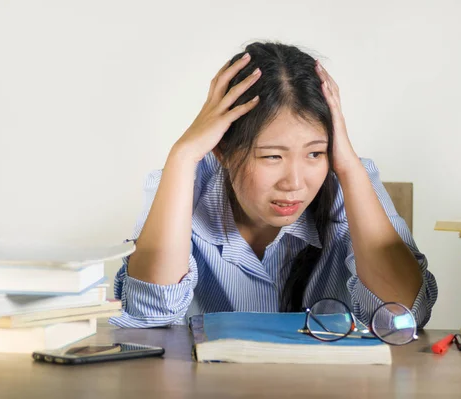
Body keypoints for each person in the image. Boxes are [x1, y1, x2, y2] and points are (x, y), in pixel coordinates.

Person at [110, 41, 437, 330]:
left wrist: (349, 168)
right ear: (222, 150)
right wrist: (183, 154)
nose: (294, 183)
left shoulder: (350, 181)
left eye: (314, 152)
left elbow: (403, 316)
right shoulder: (186, 184)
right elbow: (150, 312)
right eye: (271, 157)